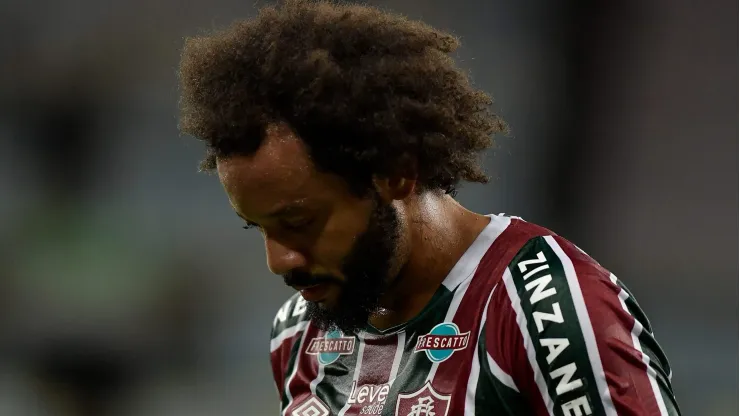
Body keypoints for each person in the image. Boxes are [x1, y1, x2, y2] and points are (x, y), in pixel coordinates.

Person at [177, 1, 681, 414]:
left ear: (397, 173)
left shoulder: (546, 311)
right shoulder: (300, 332)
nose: (279, 260)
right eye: (258, 227)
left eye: (299, 222)